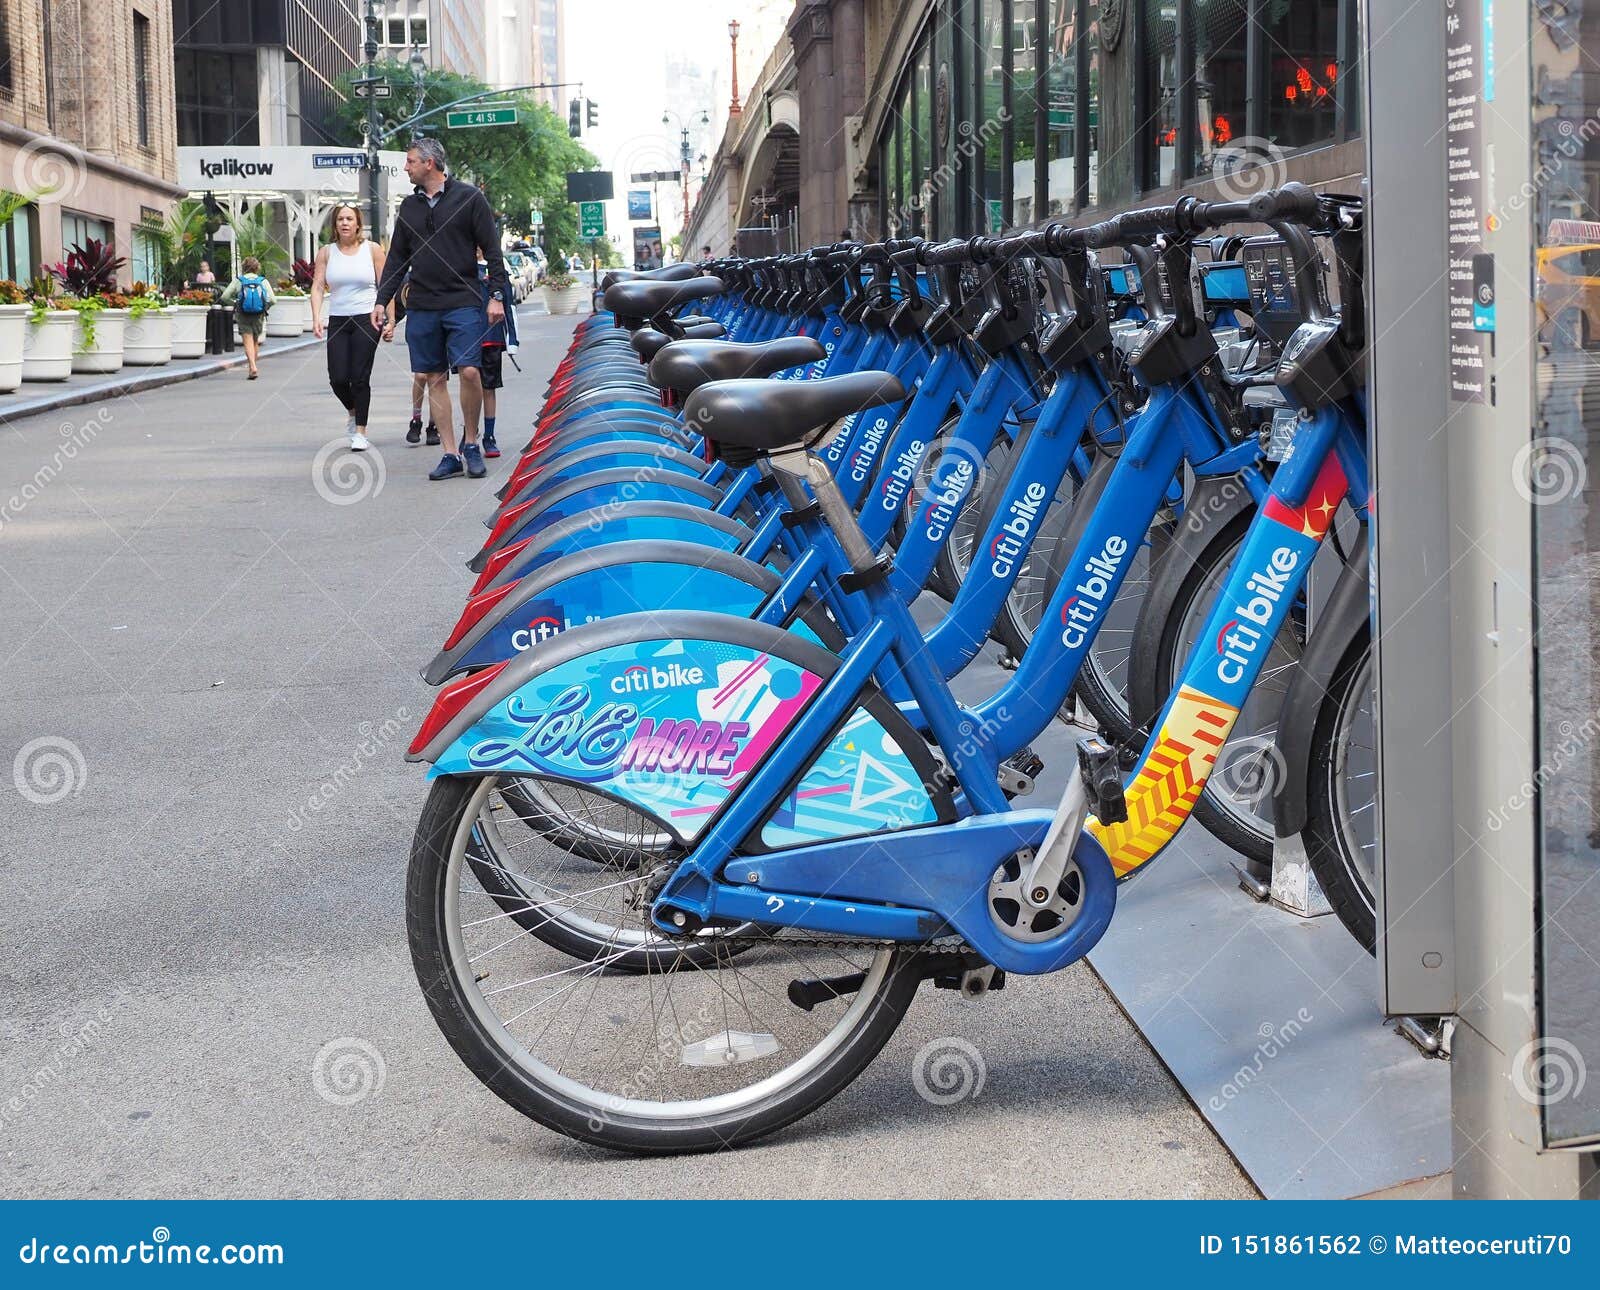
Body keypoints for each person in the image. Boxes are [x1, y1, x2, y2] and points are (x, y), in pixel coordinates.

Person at [372, 137, 509, 481]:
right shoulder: (409, 208)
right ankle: (450, 452)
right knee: (433, 376)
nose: (406, 167)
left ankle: (472, 442)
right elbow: (397, 260)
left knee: (471, 372)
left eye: (411, 162)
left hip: (463, 301)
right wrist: (381, 300)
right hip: (423, 305)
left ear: (429, 164)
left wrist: (496, 295)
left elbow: (492, 251)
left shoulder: (469, 198)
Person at [311, 203, 394, 451]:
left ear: (358, 223)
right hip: (338, 318)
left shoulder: (372, 250)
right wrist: (316, 316)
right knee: (337, 378)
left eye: (349, 219)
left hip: (367, 319)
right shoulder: (326, 252)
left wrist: (391, 320)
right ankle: (353, 410)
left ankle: (360, 431)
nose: (345, 223)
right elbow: (317, 286)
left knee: (359, 376)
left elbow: (386, 285)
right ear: (334, 224)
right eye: (340, 219)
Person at [466, 251, 518, 459]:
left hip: (491, 337)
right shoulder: (462, 270)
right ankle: (469, 433)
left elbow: (508, 306)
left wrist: (512, 339)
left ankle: (489, 435)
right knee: (469, 384)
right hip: (466, 336)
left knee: (489, 387)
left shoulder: (496, 272)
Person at [219, 256, 275, 379]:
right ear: (257, 268)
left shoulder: (239, 280)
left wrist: (235, 303)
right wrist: (265, 307)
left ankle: (252, 366)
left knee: (247, 340)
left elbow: (224, 296)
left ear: (244, 267)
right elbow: (273, 300)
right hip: (259, 314)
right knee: (254, 341)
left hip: (243, 314)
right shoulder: (262, 281)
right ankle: (252, 367)